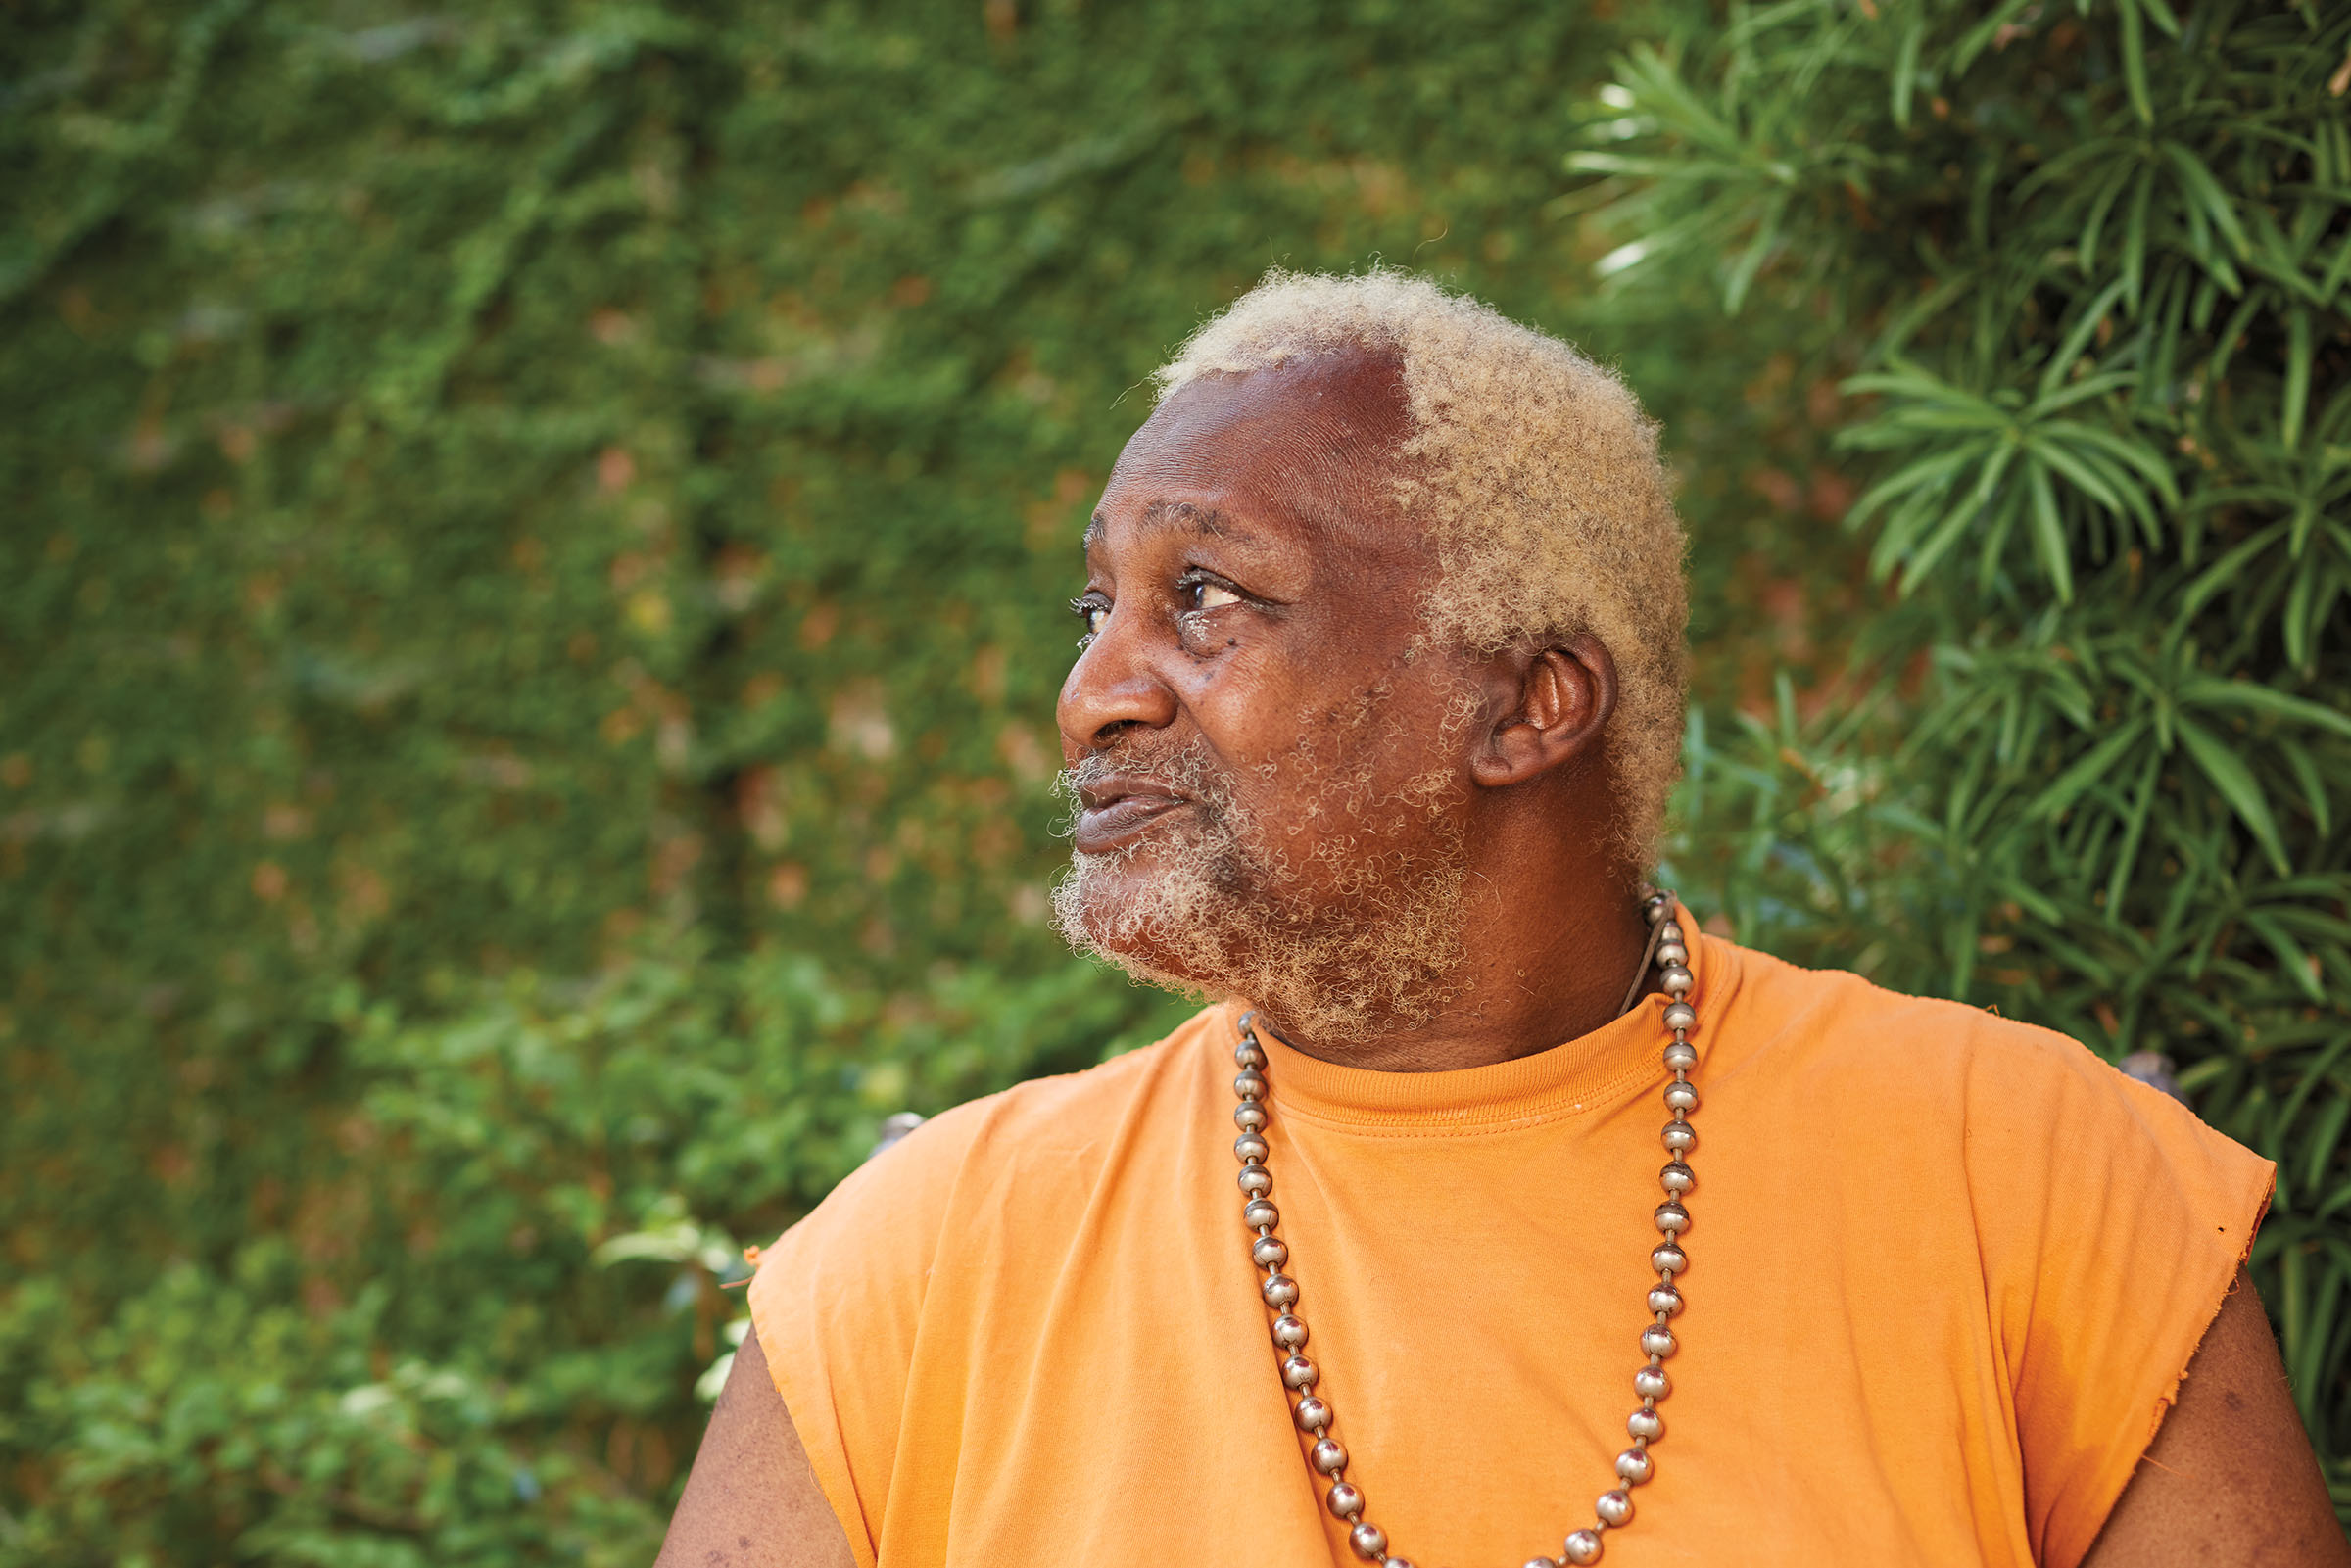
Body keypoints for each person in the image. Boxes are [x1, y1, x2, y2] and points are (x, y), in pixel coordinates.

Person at [657, 271, 2344, 1567]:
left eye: (1209, 596)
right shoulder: (913, 1269)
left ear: (1530, 703)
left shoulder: (2043, 1188)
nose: (1090, 692)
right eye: (1097, 605)